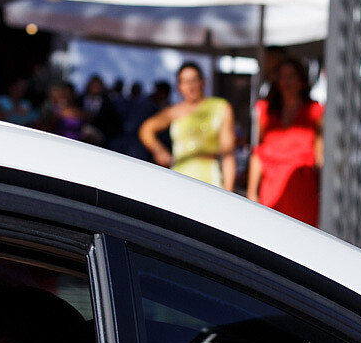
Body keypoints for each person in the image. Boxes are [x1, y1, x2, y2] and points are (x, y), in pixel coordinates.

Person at [248, 57, 326, 225]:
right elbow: (259, 152)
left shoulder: (314, 111)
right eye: (283, 76)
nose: (287, 81)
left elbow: (320, 155)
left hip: (302, 190)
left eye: (291, 76)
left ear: (301, 81)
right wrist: (252, 192)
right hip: (271, 188)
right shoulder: (266, 111)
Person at [140, 62, 236, 191]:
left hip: (209, 178)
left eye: (194, 80)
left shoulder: (220, 107)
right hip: (180, 175)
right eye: (185, 82)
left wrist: (228, 192)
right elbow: (146, 129)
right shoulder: (175, 111)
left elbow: (228, 155)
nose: (191, 87)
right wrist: (159, 150)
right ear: (179, 87)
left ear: (203, 82)